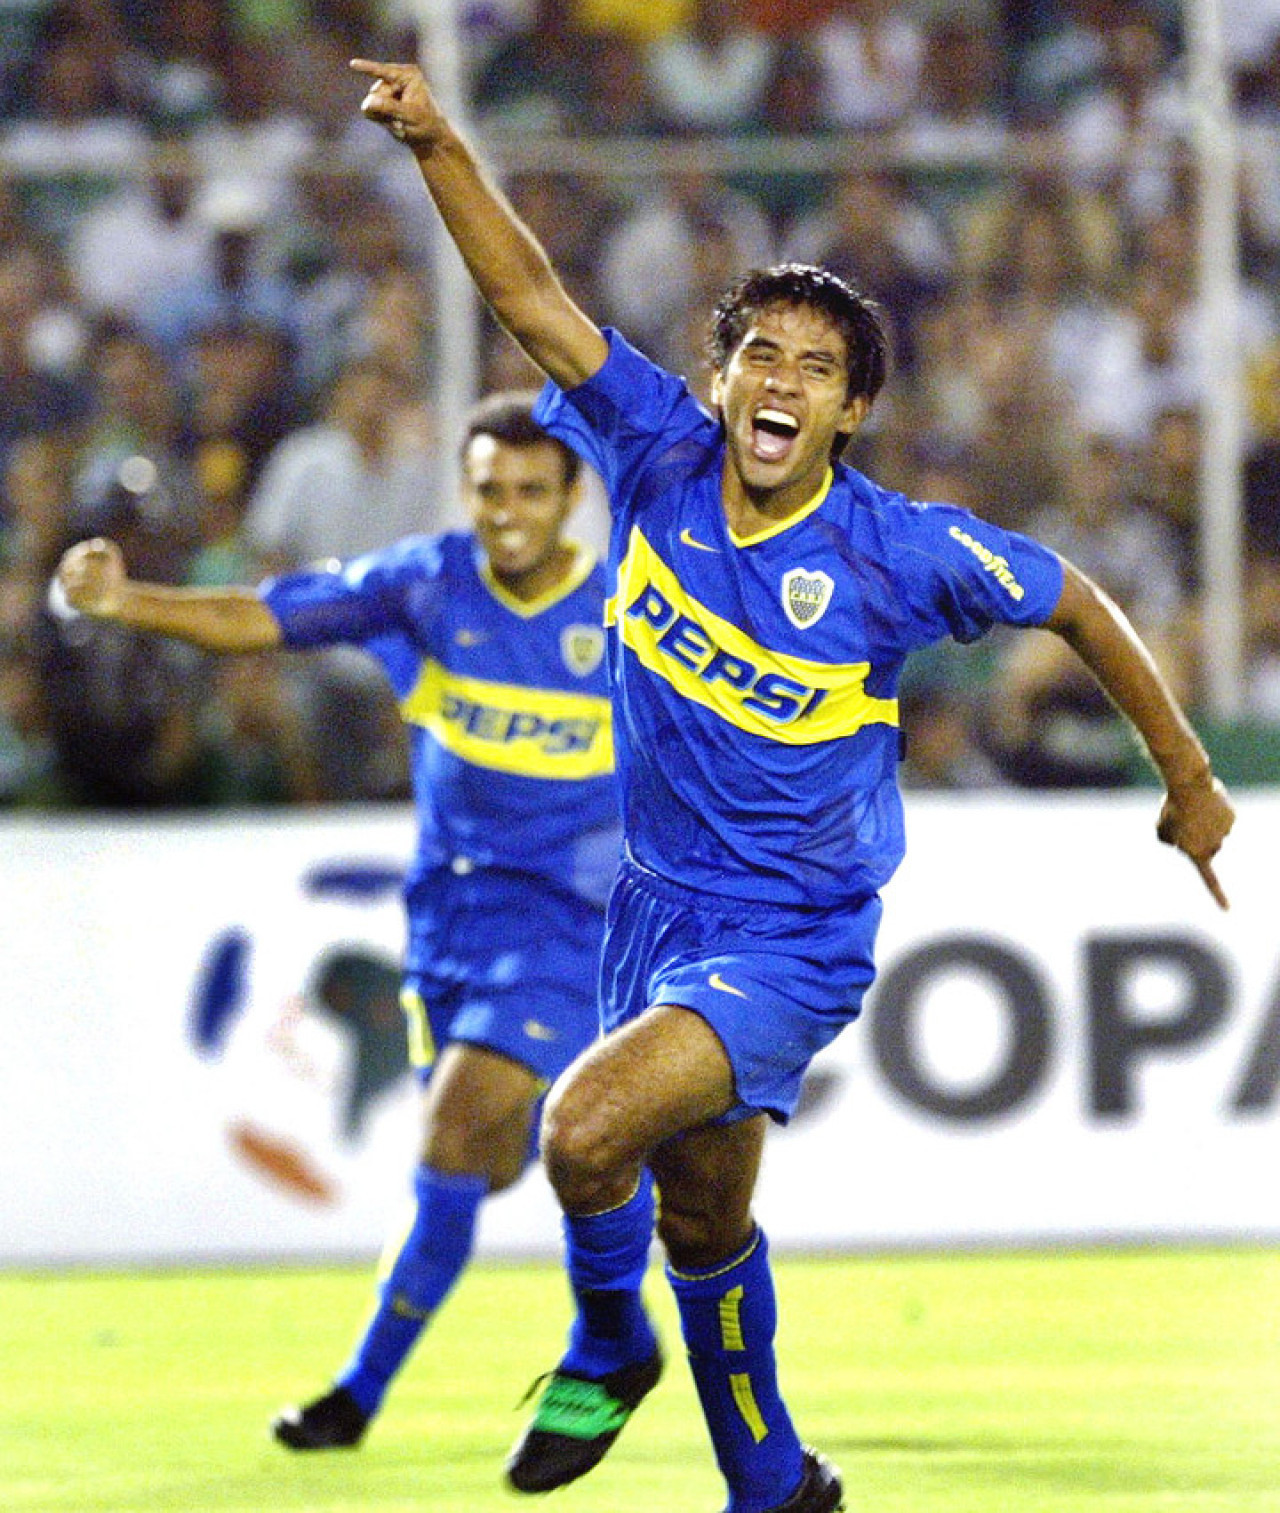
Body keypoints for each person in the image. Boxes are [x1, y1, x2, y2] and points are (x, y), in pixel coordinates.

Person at [348, 56, 1236, 1513]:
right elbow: (531, 303)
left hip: (791, 933)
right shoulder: (653, 454)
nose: (782, 382)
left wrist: (1187, 775)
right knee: (703, 1214)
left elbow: (1073, 595)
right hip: (652, 910)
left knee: (579, 1135)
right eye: (759, 353)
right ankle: (773, 1483)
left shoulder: (899, 554)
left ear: (852, 414)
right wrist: (442, 145)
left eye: (818, 370)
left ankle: (605, 1341)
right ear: (718, 380)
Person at [52, 392, 621, 1449]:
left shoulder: (627, 616)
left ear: (572, 499)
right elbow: (264, 614)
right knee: (479, 1165)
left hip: (568, 927)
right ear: (466, 489)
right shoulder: (426, 584)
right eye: (488, 489)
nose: (506, 512)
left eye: (530, 492)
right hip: (447, 921)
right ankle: (597, 1178)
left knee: (459, 1125)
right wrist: (130, 603)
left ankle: (372, 1392)